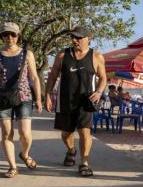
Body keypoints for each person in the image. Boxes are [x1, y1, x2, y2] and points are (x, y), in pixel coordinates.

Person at [0, 22, 43, 178]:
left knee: (25, 134)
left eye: (13, 34)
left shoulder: (27, 54)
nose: (9, 37)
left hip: (24, 97)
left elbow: (34, 77)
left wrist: (38, 99)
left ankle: (25, 154)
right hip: (2, 98)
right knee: (6, 134)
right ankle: (12, 167)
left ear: (18, 36)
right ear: (2, 36)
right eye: (5, 34)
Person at [45, 25, 107, 177]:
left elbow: (104, 78)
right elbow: (52, 76)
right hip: (65, 100)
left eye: (78, 37)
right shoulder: (62, 55)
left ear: (89, 39)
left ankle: (84, 163)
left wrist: (99, 92)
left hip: (86, 101)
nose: (74, 40)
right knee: (66, 134)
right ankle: (71, 150)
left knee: (85, 132)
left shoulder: (96, 57)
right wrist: (47, 95)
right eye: (73, 37)